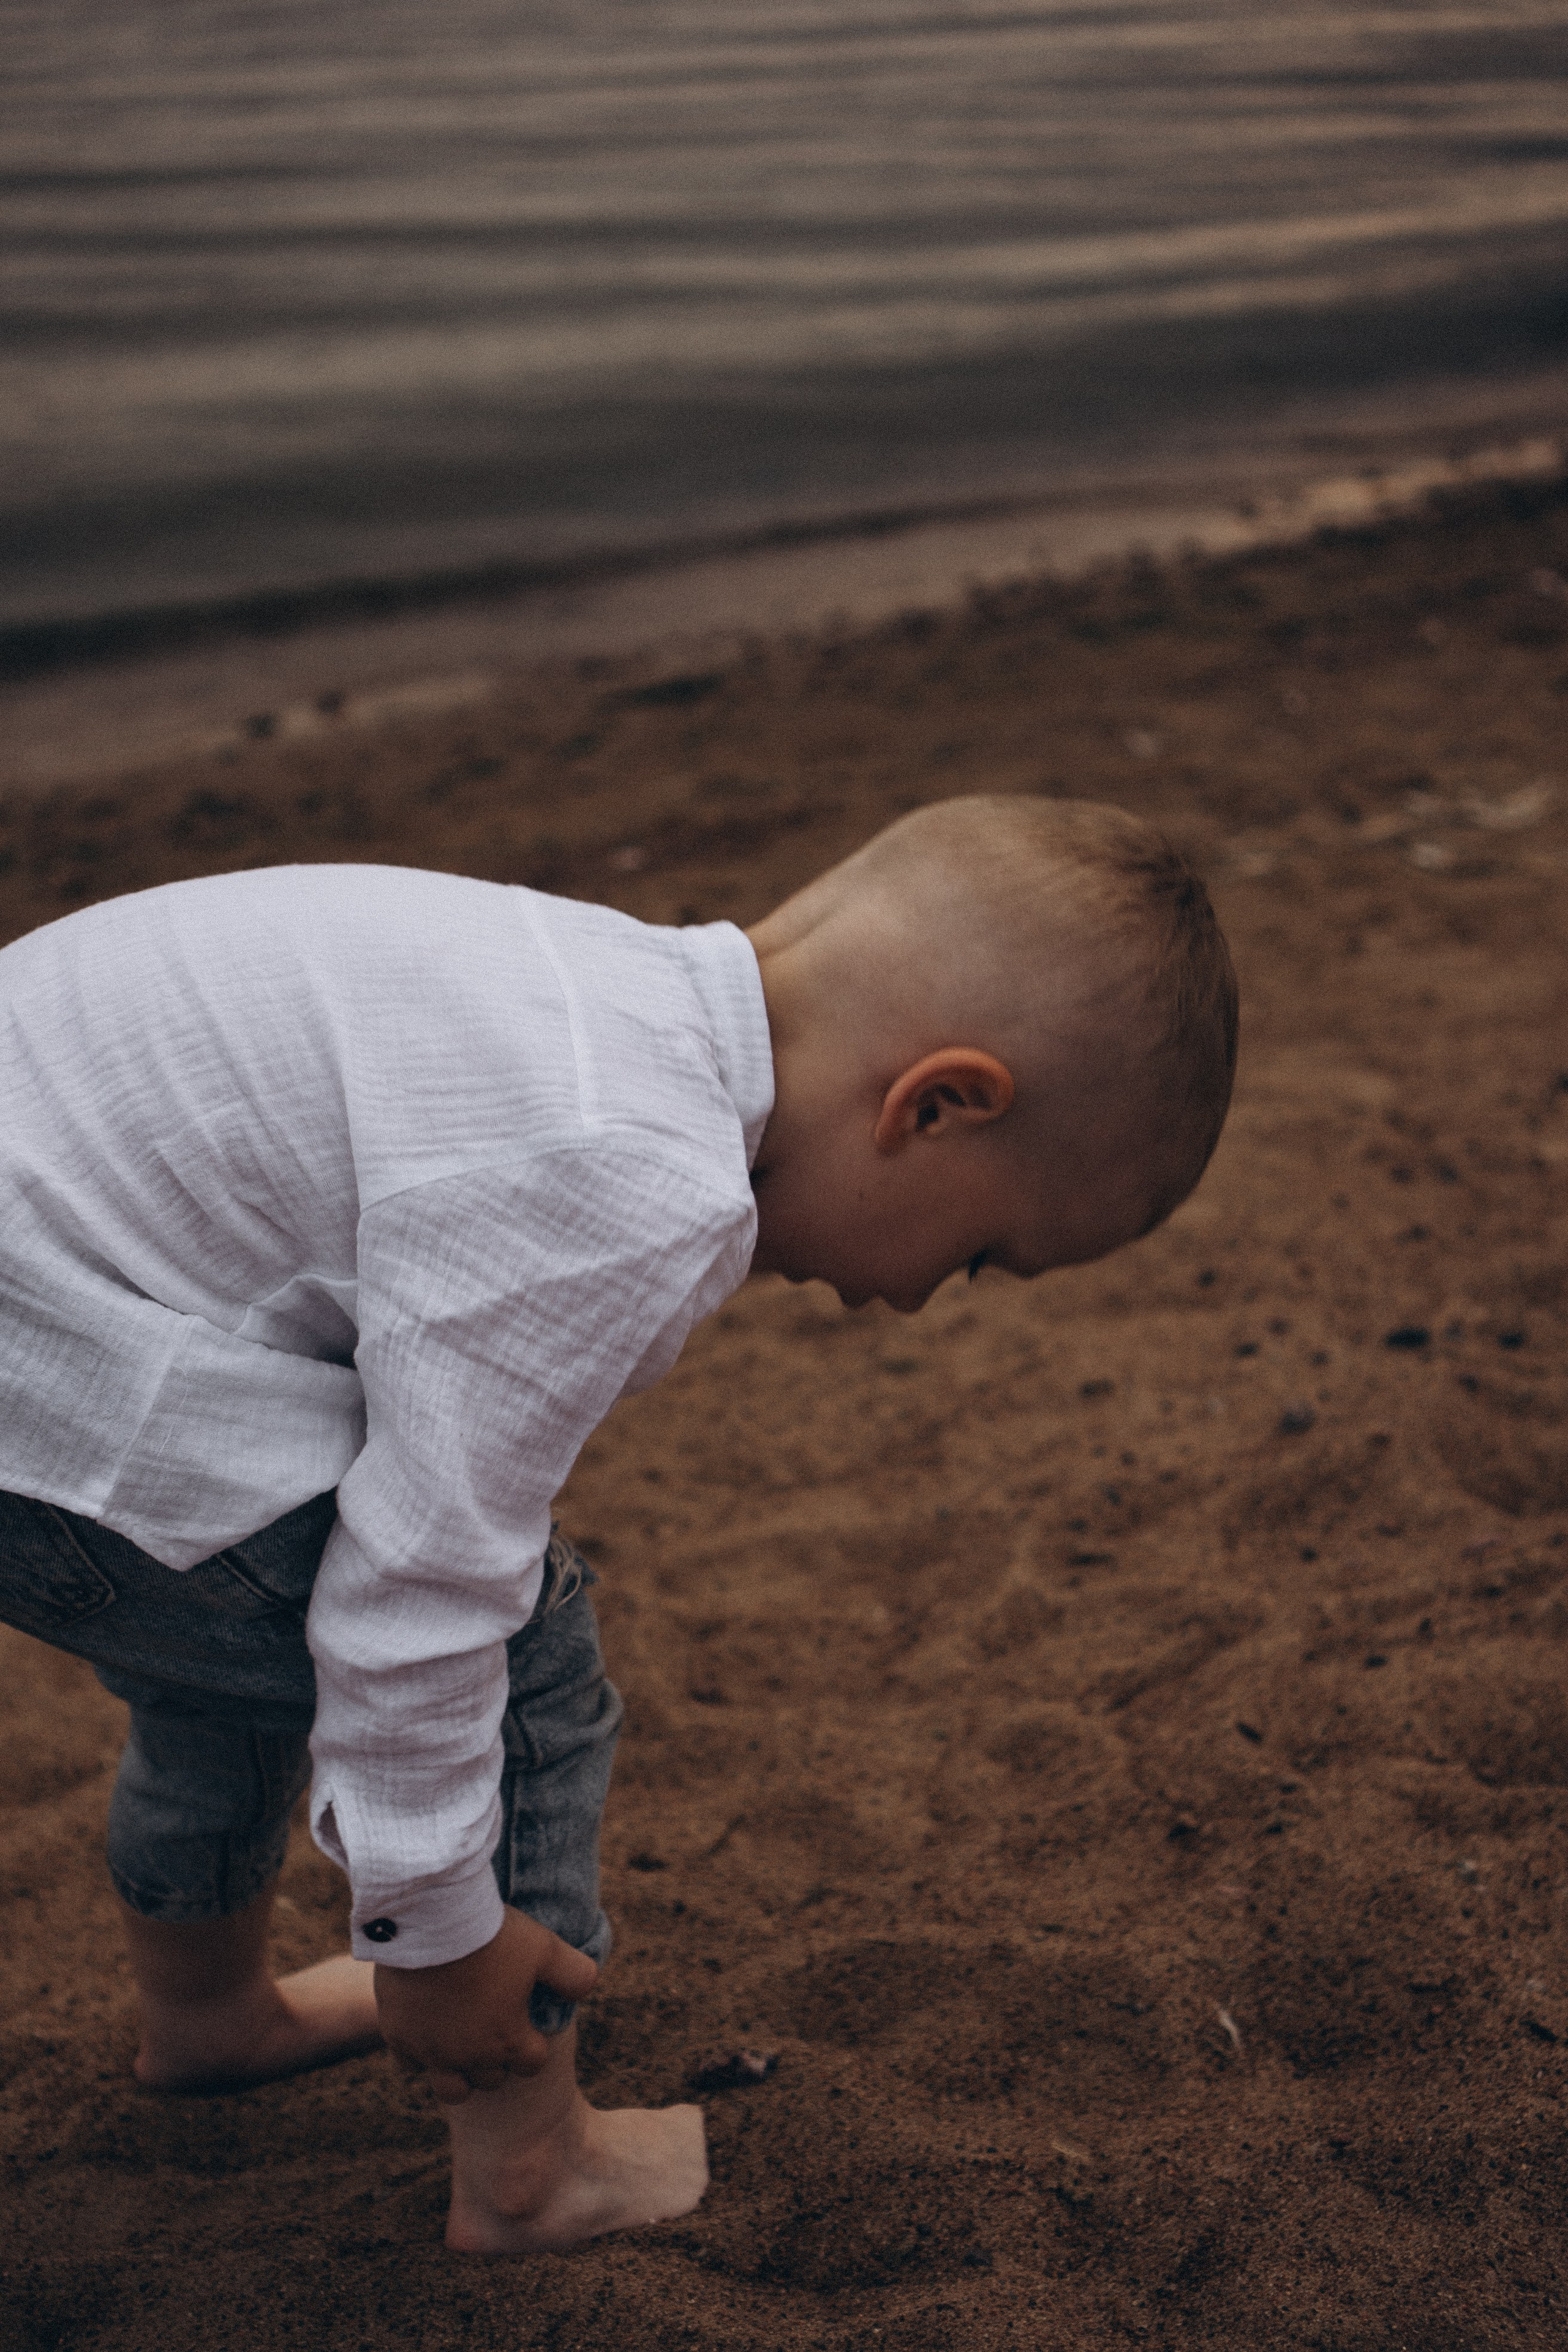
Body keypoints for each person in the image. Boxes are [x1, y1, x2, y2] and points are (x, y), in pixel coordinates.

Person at [0, 794, 1237, 2252]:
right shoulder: (628, 1178)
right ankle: (528, 2165)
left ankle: (208, 2019)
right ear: (936, 1105)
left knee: (230, 1649)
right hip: (53, 1369)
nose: (912, 1300)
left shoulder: (586, 998)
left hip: (66, 1316)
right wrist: (435, 1931)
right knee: (525, 1659)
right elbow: (421, 1585)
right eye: (975, 1257)